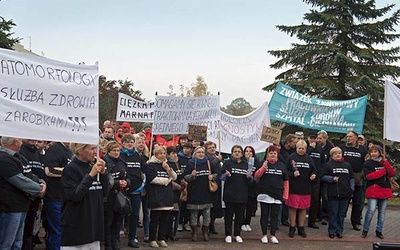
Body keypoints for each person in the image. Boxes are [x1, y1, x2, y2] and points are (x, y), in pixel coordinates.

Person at [60, 143, 110, 249]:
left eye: (95, 149)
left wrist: (104, 173)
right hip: (76, 227)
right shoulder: (70, 169)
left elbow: (105, 193)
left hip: (94, 227)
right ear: (79, 150)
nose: (95, 152)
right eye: (91, 149)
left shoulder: (94, 167)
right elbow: (75, 195)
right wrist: (91, 176)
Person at [0, 137, 46, 250]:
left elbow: (30, 175)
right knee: (7, 243)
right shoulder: (3, 159)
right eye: (20, 140)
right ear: (15, 142)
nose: (21, 143)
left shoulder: (19, 157)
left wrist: (41, 182)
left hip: (21, 206)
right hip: (9, 208)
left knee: (17, 242)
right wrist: (39, 189)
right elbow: (20, 181)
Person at [254, 145, 289, 244]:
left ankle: (273, 235)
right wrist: (263, 168)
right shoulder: (262, 163)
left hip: (277, 194)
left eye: (275, 153)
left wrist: (285, 195)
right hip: (265, 194)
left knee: (275, 215)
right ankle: (264, 235)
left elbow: (286, 181)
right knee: (264, 215)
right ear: (267, 154)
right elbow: (256, 177)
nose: (273, 154)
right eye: (271, 153)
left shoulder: (282, 165)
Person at [183, 146, 218, 242]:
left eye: (202, 152)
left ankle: (205, 232)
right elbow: (185, 177)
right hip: (194, 193)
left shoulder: (208, 162)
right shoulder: (190, 163)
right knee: (193, 215)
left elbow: (216, 173)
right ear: (195, 154)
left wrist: (212, 176)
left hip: (206, 193)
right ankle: (194, 233)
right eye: (199, 152)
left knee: (207, 215)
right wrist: (192, 176)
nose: (201, 154)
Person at [362, 145, 396, 239]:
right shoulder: (367, 163)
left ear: (379, 152)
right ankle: (365, 230)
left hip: (384, 189)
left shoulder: (384, 163)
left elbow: (392, 173)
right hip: (373, 189)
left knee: (382, 212)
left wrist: (386, 165)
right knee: (371, 210)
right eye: (372, 152)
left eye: (375, 151)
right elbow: (369, 176)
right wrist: (382, 172)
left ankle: (379, 231)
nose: (373, 153)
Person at [146, 146, 177, 248]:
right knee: (155, 219)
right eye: (160, 153)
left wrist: (168, 169)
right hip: (156, 195)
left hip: (167, 195)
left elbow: (174, 176)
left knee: (165, 219)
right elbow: (152, 179)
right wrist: (166, 181)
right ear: (155, 155)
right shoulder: (151, 165)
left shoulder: (167, 164)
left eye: (164, 153)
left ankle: (161, 238)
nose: (163, 155)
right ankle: (152, 239)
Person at [43, 142, 72, 250]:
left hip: (65, 196)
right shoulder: (55, 149)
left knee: (63, 228)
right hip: (54, 196)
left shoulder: (69, 151)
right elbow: (49, 170)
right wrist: (71, 171)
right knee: (57, 229)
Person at [220, 145, 252, 244]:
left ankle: (237, 234)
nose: (237, 153)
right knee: (228, 216)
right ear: (232, 153)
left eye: (239, 151)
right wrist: (226, 175)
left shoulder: (246, 164)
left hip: (242, 195)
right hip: (229, 194)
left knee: (239, 216)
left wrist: (249, 177)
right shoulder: (227, 163)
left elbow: (251, 182)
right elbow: (221, 177)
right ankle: (228, 234)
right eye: (235, 151)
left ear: (242, 154)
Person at [321, 147, 354, 239]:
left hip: (345, 193)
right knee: (333, 213)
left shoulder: (347, 165)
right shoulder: (328, 165)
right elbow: (322, 176)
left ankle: (339, 231)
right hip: (333, 193)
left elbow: (352, 178)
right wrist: (331, 179)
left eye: (339, 153)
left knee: (341, 214)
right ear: (332, 156)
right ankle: (332, 230)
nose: (338, 155)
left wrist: (352, 188)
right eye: (335, 154)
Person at [285, 140, 316, 238]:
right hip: (294, 187)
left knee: (303, 208)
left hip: (305, 187)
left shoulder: (309, 159)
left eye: (303, 148)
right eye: (299, 148)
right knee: (293, 208)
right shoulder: (291, 158)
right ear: (296, 148)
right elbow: (285, 171)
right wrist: (292, 174)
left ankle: (301, 227)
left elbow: (313, 170)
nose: (301, 150)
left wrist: (313, 175)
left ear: (306, 149)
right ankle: (292, 227)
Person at [19, 139, 46, 250]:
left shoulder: (36, 153)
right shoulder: (20, 151)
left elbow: (40, 173)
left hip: (36, 197)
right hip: (22, 197)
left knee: (30, 231)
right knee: (20, 232)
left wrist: (42, 185)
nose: (33, 139)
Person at [119, 134, 145, 248]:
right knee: (120, 213)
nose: (130, 143)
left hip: (136, 189)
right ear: (123, 143)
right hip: (123, 189)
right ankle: (117, 237)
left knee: (134, 214)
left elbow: (143, 171)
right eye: (127, 141)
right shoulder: (119, 155)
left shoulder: (137, 155)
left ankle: (132, 237)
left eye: (131, 141)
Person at [338, 131, 367, 231]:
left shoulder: (362, 149)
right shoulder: (342, 147)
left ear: (355, 138)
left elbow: (366, 163)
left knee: (357, 202)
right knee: (344, 200)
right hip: (344, 178)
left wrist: (363, 174)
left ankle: (355, 222)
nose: (348, 138)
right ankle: (340, 220)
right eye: (347, 137)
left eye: (350, 136)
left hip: (357, 178)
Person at [102, 141, 128, 250]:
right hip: (108, 196)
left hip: (120, 195)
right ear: (109, 151)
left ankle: (116, 242)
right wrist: (117, 183)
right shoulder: (104, 162)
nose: (116, 152)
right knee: (108, 221)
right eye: (114, 150)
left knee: (118, 221)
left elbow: (127, 176)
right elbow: (104, 180)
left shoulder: (122, 162)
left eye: (118, 150)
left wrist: (127, 182)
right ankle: (107, 244)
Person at [306, 131, 326, 229]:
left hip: (316, 177)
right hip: (305, 177)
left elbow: (323, 163)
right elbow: (304, 157)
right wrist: (310, 148)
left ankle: (312, 221)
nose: (314, 140)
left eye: (315, 138)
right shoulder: (305, 147)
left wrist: (318, 174)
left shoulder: (320, 149)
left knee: (315, 199)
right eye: (312, 138)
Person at [204, 141, 223, 235]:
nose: (212, 149)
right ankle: (206, 225)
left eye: (213, 147)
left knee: (215, 207)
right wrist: (217, 160)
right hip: (209, 185)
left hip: (217, 185)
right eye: (210, 147)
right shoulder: (206, 157)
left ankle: (212, 223)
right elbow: (210, 167)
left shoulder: (216, 157)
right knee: (208, 207)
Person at [316, 130, 334, 225]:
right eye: (317, 138)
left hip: (326, 175)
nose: (318, 140)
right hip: (317, 175)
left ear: (325, 138)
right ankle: (317, 215)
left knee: (326, 197)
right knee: (316, 197)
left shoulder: (330, 148)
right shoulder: (315, 147)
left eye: (320, 138)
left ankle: (325, 216)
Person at [165, 146, 183, 241]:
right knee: (168, 214)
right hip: (170, 192)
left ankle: (172, 233)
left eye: (176, 153)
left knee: (175, 214)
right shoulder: (167, 164)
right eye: (172, 153)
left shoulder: (178, 163)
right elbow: (169, 179)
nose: (175, 155)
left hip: (178, 193)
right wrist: (178, 186)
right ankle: (166, 233)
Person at [241, 146, 260, 232]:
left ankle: (247, 223)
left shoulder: (256, 163)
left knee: (250, 207)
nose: (248, 153)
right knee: (242, 207)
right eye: (246, 151)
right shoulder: (241, 162)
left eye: (250, 151)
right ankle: (241, 223)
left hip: (252, 188)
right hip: (243, 187)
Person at [177, 142, 193, 232]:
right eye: (184, 148)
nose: (186, 150)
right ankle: (179, 222)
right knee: (181, 205)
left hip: (191, 184)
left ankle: (186, 222)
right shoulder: (179, 159)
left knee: (188, 205)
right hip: (181, 184)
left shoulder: (192, 159)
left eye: (188, 148)